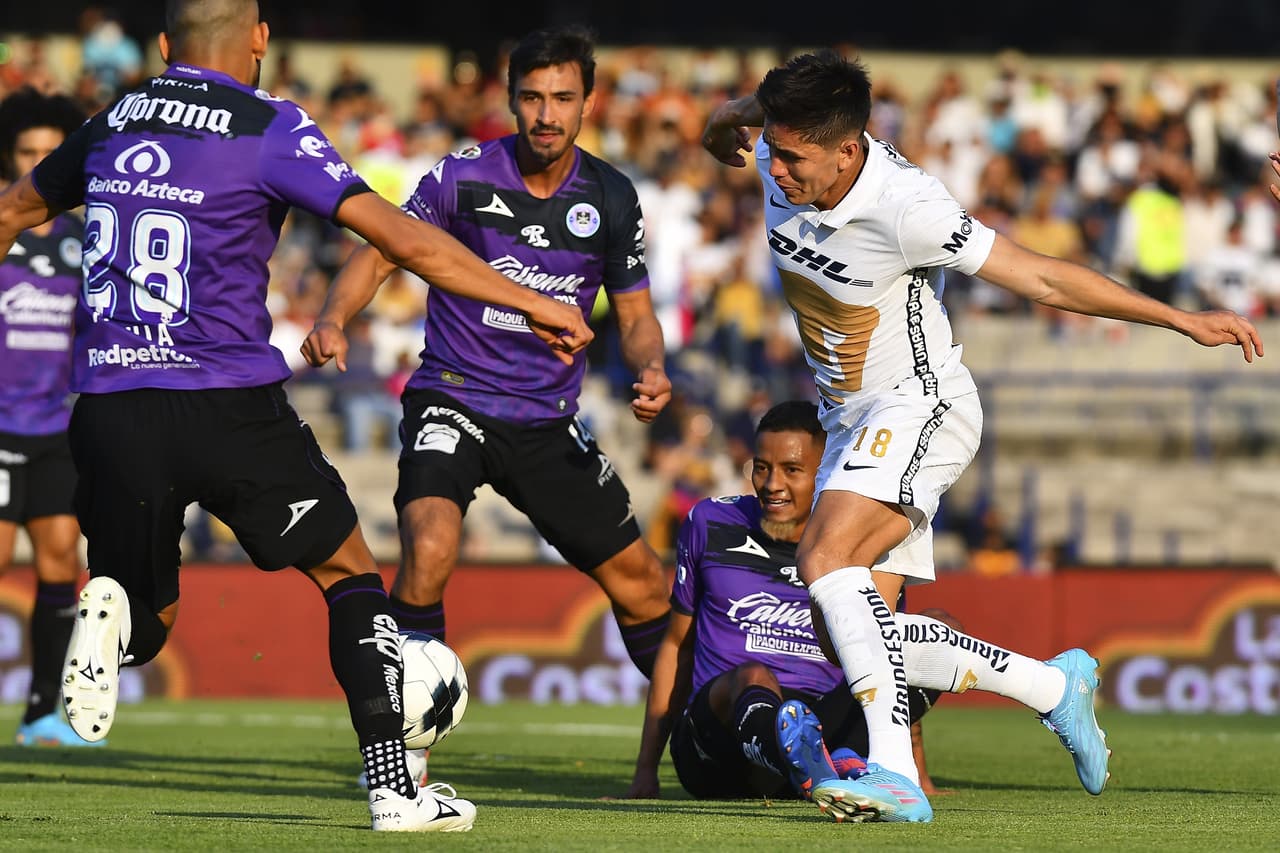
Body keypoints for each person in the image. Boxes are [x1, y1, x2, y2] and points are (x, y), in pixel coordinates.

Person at [0, 0, 591, 833]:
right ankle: (396, 791)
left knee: (149, 618)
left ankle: (114, 620)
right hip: (226, 403)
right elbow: (404, 239)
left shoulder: (109, 120)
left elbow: (9, 214)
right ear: (259, 40)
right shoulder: (266, 125)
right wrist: (530, 299)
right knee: (349, 573)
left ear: (165, 45)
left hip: (107, 407)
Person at [703, 52, 1263, 822]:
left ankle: (893, 774)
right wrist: (721, 124)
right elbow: (743, 121)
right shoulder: (779, 145)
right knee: (852, 633)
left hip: (920, 404)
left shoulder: (907, 205)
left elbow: (1042, 278)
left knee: (824, 559)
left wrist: (1178, 319)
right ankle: (1053, 686)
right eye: (773, 147)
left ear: (847, 147)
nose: (778, 169)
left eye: (793, 157)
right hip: (849, 418)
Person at [303, 26, 672, 715]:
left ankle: (699, 737)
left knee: (645, 585)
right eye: (532, 97)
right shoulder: (462, 177)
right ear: (509, 100)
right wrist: (333, 316)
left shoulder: (612, 196)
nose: (546, 114)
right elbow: (382, 250)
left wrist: (650, 366)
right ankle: (401, 744)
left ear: (588, 103)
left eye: (563, 97)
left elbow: (637, 315)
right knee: (430, 546)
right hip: (455, 396)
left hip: (546, 419)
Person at [625, 401, 947, 802]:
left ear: (826, 471)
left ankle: (828, 766)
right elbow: (676, 646)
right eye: (762, 467)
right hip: (718, 752)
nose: (771, 484)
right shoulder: (710, 524)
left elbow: (892, 662)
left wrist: (916, 768)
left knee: (934, 629)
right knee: (754, 676)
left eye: (791, 470)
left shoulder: (864, 547)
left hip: (822, 731)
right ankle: (818, 766)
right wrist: (645, 772)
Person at [0, 88, 93, 748]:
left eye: (49, 153)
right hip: (0, 429)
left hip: (58, 431)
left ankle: (41, 712)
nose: (38, 163)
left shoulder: (87, 243)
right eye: (28, 152)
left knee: (61, 561)